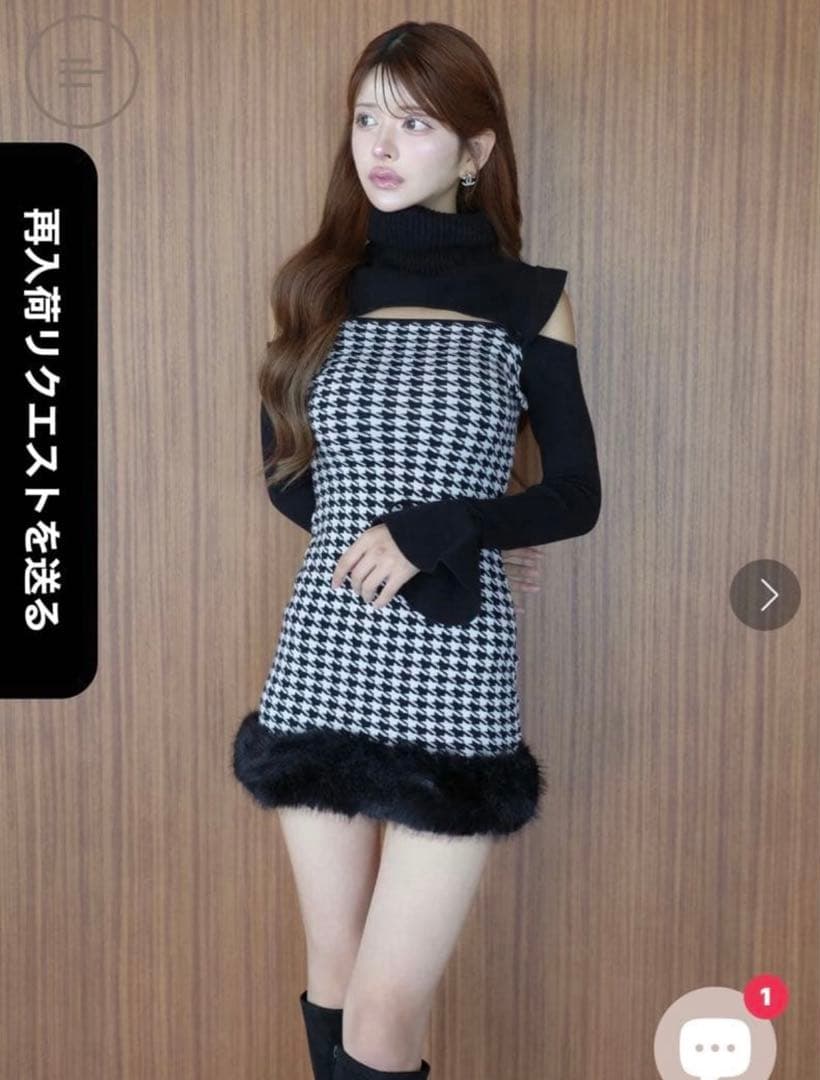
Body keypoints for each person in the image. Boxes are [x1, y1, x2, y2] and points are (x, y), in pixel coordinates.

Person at [232, 20, 601, 1080]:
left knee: (385, 1012)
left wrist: (451, 533)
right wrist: (378, 538)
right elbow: (288, 478)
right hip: (326, 646)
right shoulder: (315, 287)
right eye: (366, 119)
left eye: (414, 123)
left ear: (475, 149)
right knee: (335, 972)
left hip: (455, 668)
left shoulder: (531, 300)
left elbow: (575, 495)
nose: (381, 146)